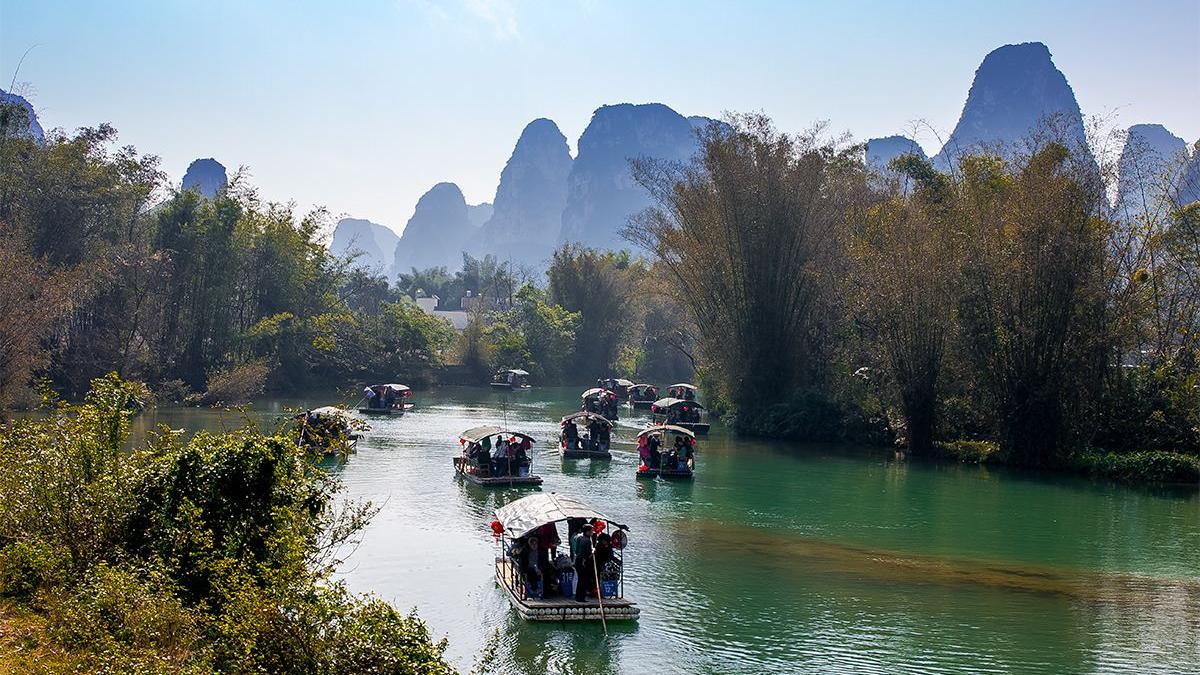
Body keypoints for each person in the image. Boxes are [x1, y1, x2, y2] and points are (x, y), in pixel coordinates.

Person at [572, 524, 595, 602]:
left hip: (578, 561)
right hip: (583, 562)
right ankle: (581, 597)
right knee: (583, 580)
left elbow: (577, 550)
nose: (593, 532)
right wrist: (593, 551)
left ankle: (578, 597)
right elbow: (588, 554)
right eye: (591, 531)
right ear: (588, 531)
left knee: (580, 580)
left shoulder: (579, 538)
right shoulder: (587, 541)